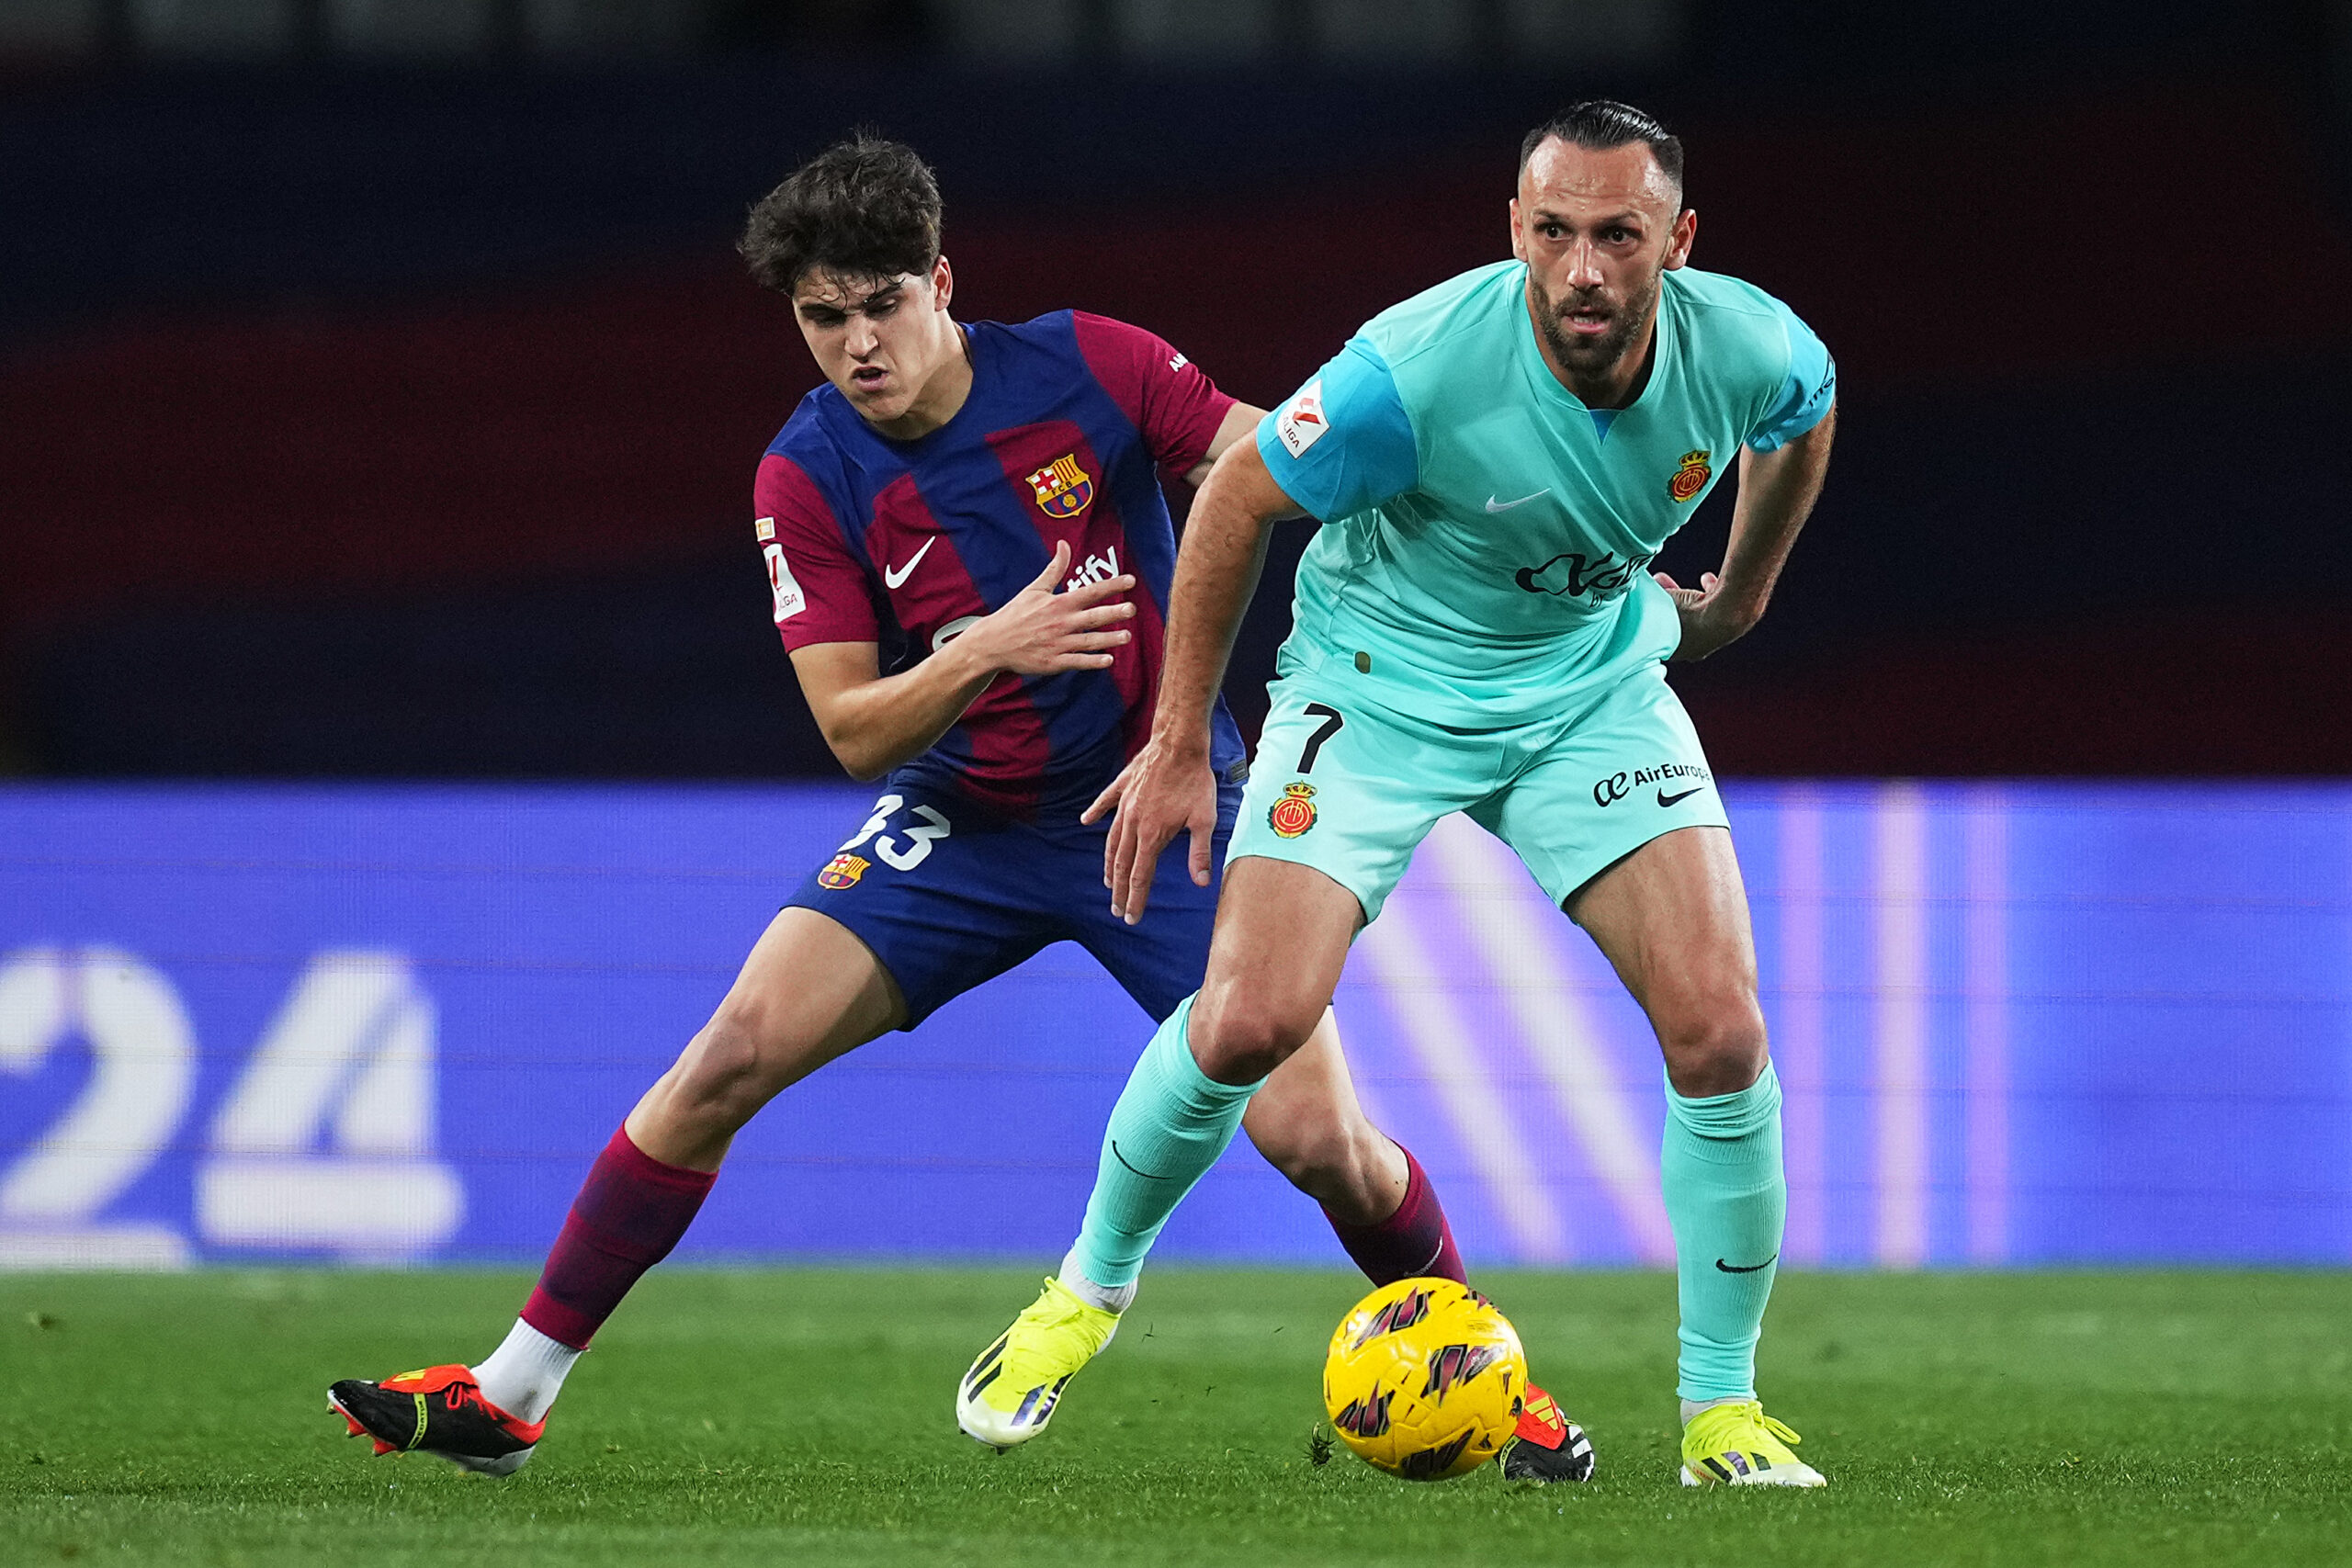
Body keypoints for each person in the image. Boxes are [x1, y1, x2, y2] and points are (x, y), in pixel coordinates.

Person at [325, 135, 1583, 1482]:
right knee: (730, 1054)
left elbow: (1281, 467)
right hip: (964, 826)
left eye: (881, 305)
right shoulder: (807, 474)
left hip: (1161, 804)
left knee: (1320, 1142)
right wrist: (986, 649)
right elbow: (851, 729)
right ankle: (510, 1396)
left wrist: (1512, 548)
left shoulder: (1092, 366)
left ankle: (1503, 1392)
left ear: (941, 282)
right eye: (823, 318)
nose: (858, 344)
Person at [969, 100, 1838, 1488]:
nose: (1584, 271)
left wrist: (1739, 595)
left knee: (1721, 1032)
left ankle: (1721, 1413)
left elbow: (1806, 411)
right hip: (1372, 693)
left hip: (1584, 690)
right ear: (1515, 229)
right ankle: (1081, 1297)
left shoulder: (1749, 344)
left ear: (1679, 240)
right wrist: (1181, 740)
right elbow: (1235, 498)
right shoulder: (1414, 370)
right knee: (1248, 1020)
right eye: (1554, 232)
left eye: (1619, 237)